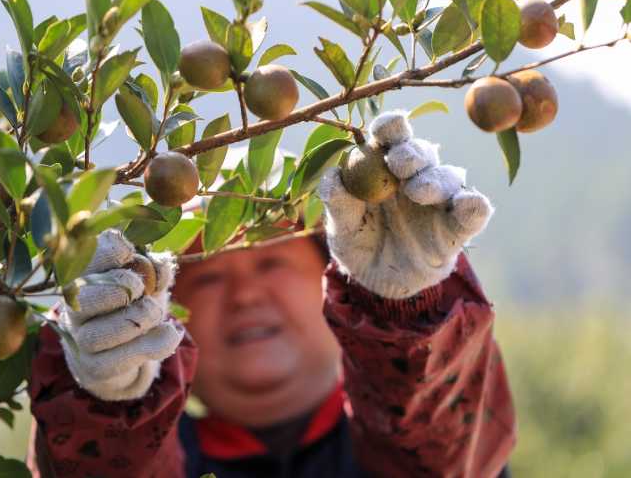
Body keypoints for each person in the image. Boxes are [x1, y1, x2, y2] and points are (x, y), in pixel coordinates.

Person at [27, 111, 516, 477]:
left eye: (272, 261)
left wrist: (412, 312)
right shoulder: (158, 458)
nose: (244, 294)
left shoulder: (423, 440)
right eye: (211, 275)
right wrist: (106, 404)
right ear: (168, 314)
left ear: (336, 275)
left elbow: (446, 451)